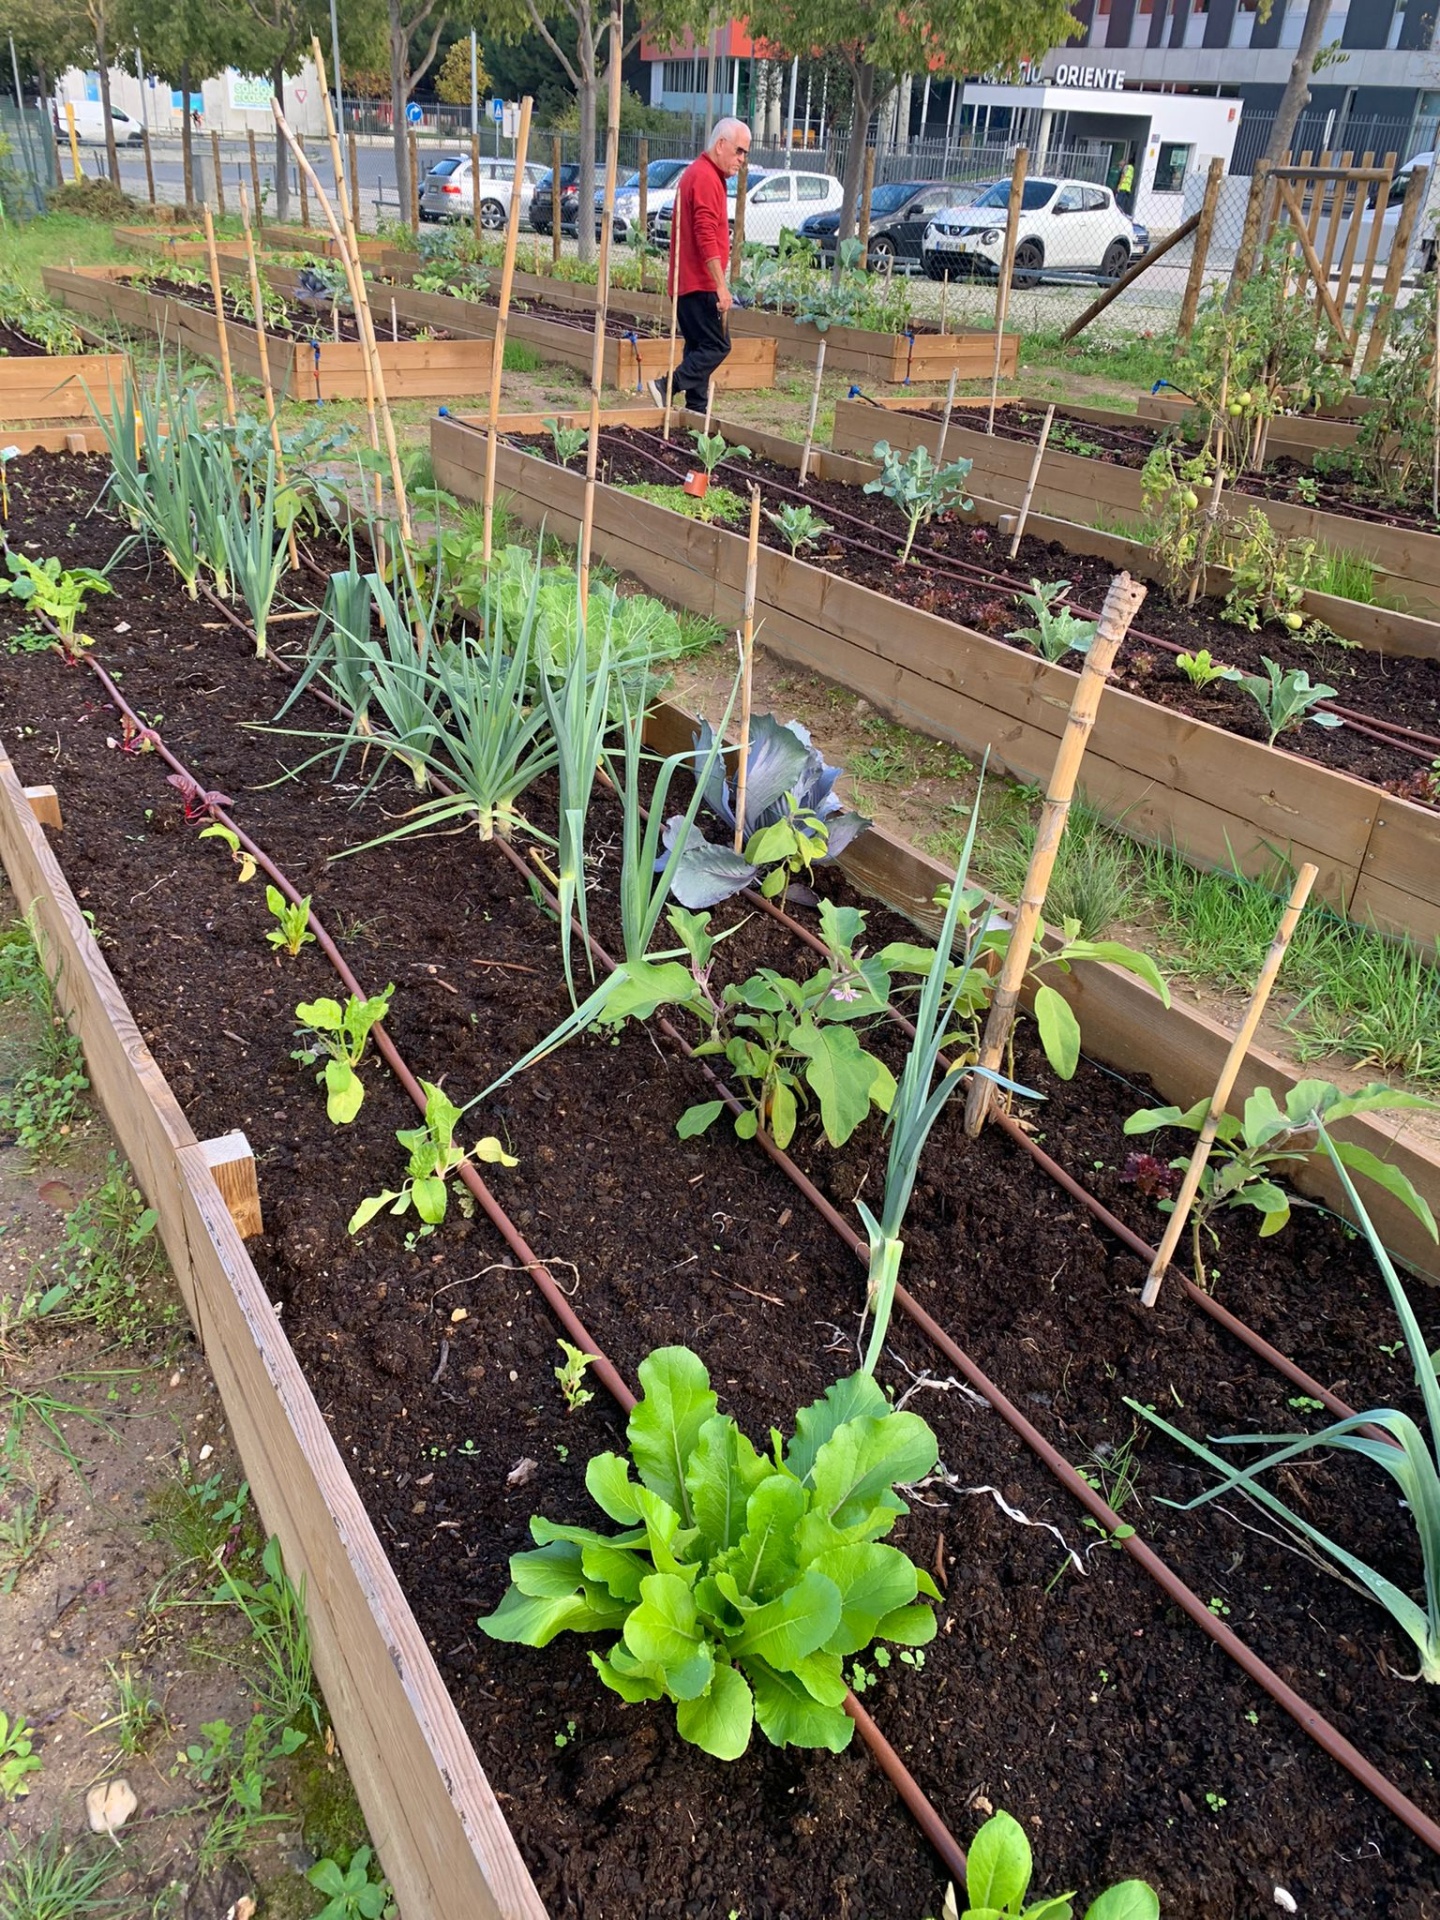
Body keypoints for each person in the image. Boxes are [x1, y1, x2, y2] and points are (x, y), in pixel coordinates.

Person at [649, 116, 751, 417]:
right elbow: (705, 234)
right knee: (717, 346)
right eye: (739, 151)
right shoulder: (705, 177)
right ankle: (667, 385)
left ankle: (695, 413)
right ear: (721, 145)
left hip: (687, 283)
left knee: (697, 349)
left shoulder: (700, 174)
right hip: (699, 283)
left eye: (744, 153)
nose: (742, 160)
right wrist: (720, 285)